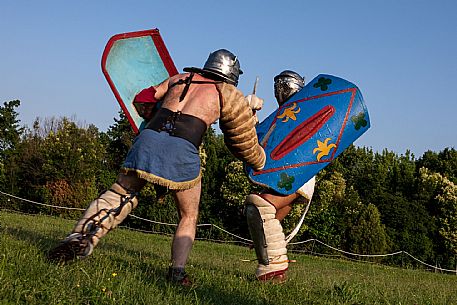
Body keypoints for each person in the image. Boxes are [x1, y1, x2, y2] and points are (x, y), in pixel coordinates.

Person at [48, 49, 266, 286]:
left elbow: (143, 98)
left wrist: (157, 113)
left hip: (148, 140)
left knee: (120, 194)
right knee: (189, 214)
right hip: (182, 149)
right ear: (232, 74)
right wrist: (260, 161)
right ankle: (177, 272)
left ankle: (80, 238)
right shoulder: (228, 93)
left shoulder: (179, 78)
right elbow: (241, 140)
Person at [244, 70, 316, 283]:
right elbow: (262, 142)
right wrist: (250, 117)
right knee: (265, 220)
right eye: (278, 87)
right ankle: (274, 275)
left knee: (258, 207)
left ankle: (274, 269)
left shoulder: (305, 112)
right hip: (283, 174)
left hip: (300, 174)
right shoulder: (283, 115)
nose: (280, 91)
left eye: (283, 86)